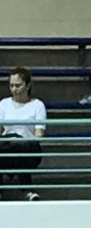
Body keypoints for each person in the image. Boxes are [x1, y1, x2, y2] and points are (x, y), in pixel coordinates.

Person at [0, 67, 46, 199]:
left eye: (18, 85)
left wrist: (20, 140)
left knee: (18, 146)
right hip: (6, 148)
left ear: (28, 86)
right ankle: (27, 191)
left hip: (29, 149)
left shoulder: (38, 105)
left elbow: (38, 134)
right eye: (11, 86)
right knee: (10, 145)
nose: (14, 89)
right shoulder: (3, 104)